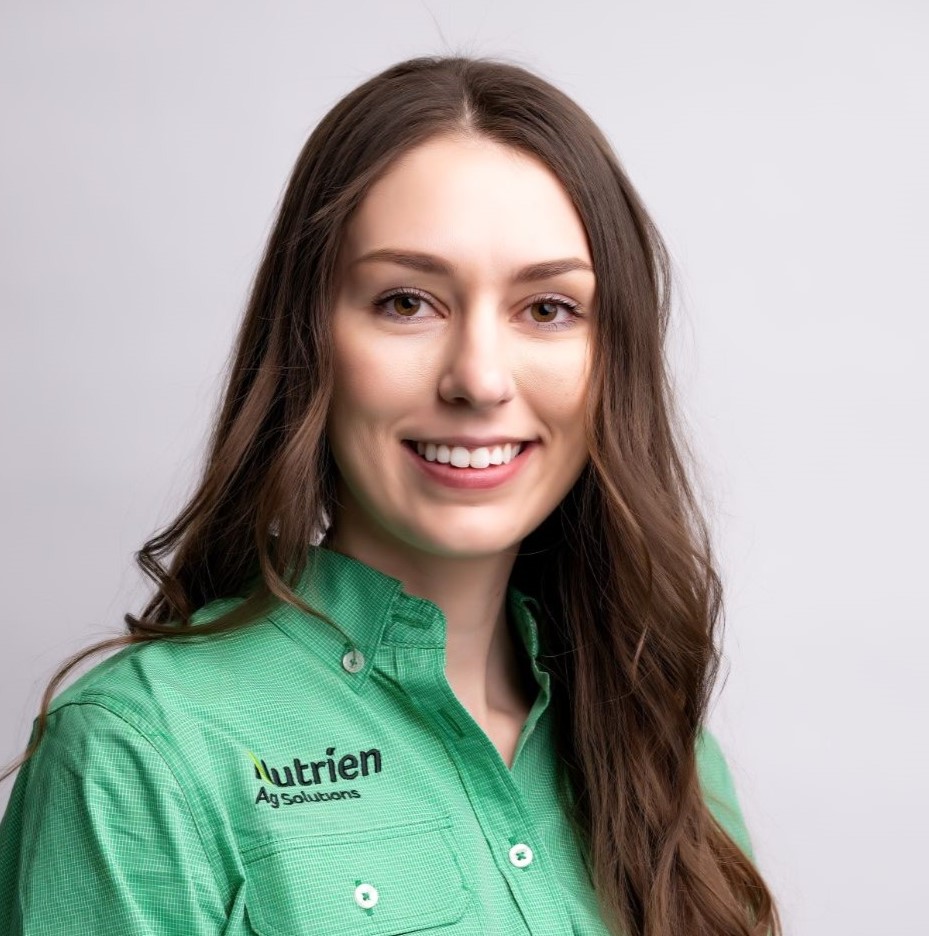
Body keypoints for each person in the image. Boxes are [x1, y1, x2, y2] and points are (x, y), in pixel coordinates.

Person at [0, 56, 779, 935]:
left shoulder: (663, 752)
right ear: (308, 340)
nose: (479, 379)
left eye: (547, 309)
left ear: (613, 361)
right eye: (407, 302)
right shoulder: (139, 755)